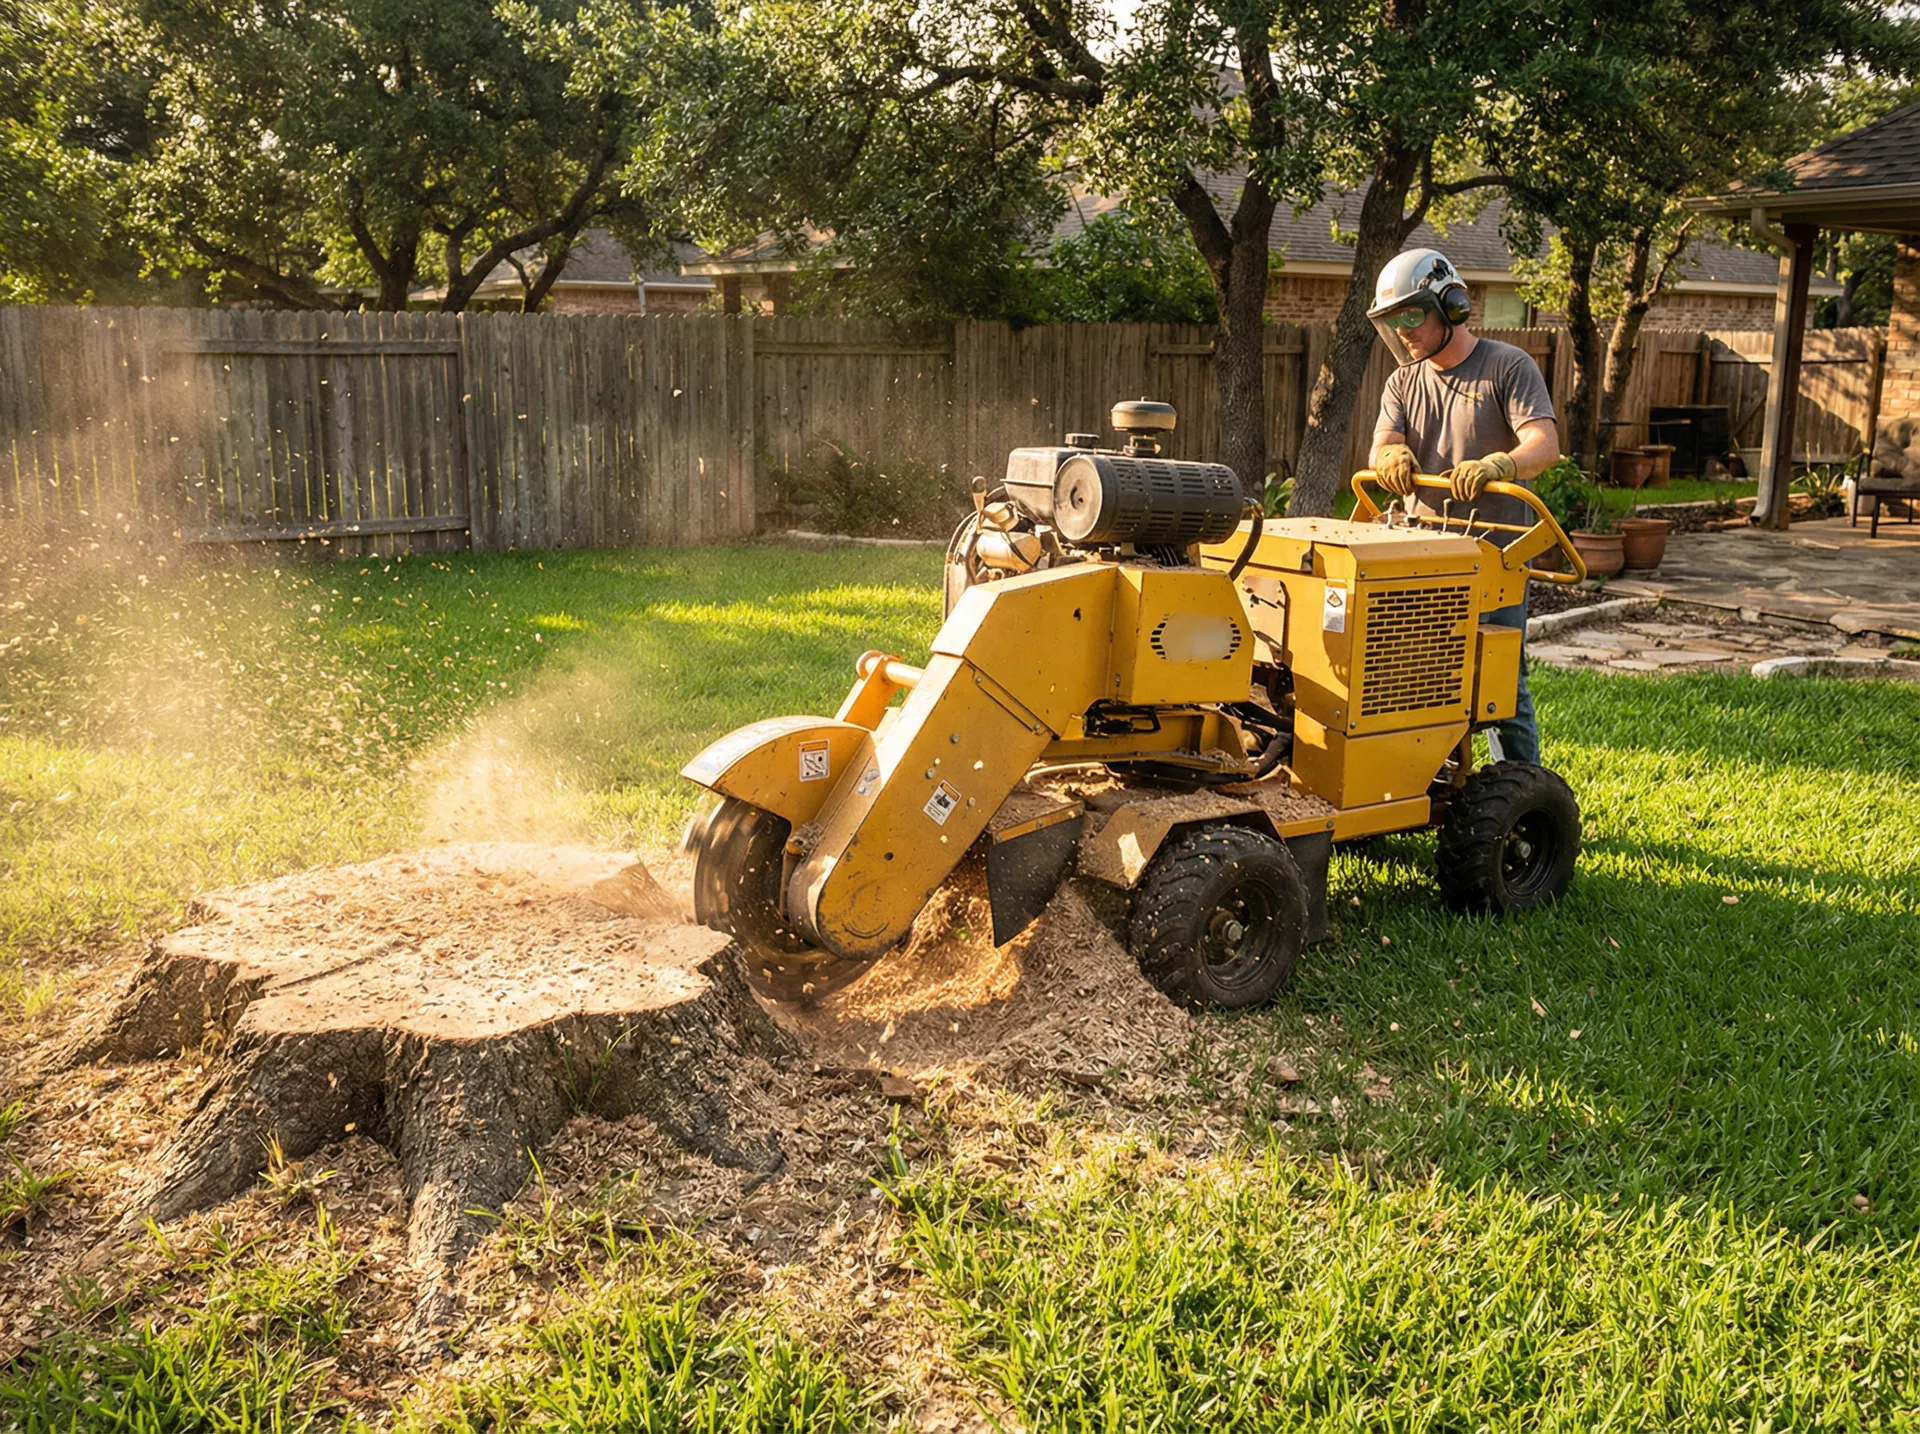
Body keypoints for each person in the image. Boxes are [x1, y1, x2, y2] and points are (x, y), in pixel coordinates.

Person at [1365, 247, 1561, 766]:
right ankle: (1435, 783)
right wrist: (1391, 455)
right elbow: (1380, 445)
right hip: (1418, 552)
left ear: (1450, 305)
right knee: (1420, 680)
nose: (1402, 330)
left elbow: (1543, 444)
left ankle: (1522, 792)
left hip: (1493, 557)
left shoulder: (1507, 366)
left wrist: (1502, 464)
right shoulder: (1403, 381)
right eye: (1392, 319)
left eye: (1410, 315)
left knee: (1498, 686)